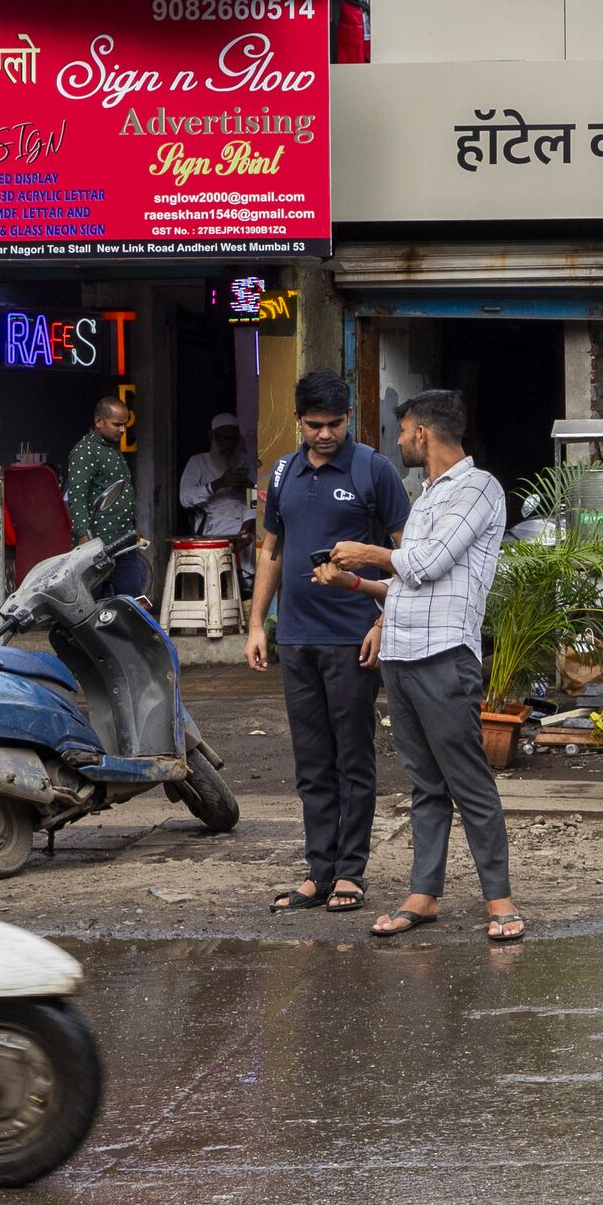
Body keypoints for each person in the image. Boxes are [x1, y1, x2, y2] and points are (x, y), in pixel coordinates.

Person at [318, 389, 520, 944]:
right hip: (403, 656)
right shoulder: (426, 493)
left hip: (443, 658)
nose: (400, 439)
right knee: (425, 784)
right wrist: (355, 582)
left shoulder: (478, 487)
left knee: (468, 781)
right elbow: (406, 584)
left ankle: (500, 901)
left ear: (424, 434)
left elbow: (426, 564)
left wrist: (368, 552)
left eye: (404, 430)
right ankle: (423, 894)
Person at [247, 373, 413, 915]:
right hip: (296, 638)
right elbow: (271, 550)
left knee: (353, 758)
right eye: (314, 425)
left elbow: (406, 555)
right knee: (311, 762)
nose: (324, 435)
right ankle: (318, 872)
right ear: (298, 421)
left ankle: (350, 873)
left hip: (352, 637)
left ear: (349, 419)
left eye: (334, 425)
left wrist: (384, 620)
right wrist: (256, 625)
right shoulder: (284, 472)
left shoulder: (374, 470)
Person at [62, 393, 138, 575]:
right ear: (99, 421)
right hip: (98, 544)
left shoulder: (111, 448)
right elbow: (77, 495)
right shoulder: (85, 451)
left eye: (124, 425)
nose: (122, 430)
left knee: (130, 597)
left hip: (124, 539)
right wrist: (82, 535)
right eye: (117, 424)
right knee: (93, 599)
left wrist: (133, 527)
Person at [179, 412, 253, 540]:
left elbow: (259, 499)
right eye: (223, 438)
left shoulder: (246, 462)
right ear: (211, 436)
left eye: (233, 439)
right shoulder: (198, 462)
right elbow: (184, 498)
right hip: (216, 523)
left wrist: (250, 489)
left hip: (248, 520)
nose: (229, 444)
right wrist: (218, 484)